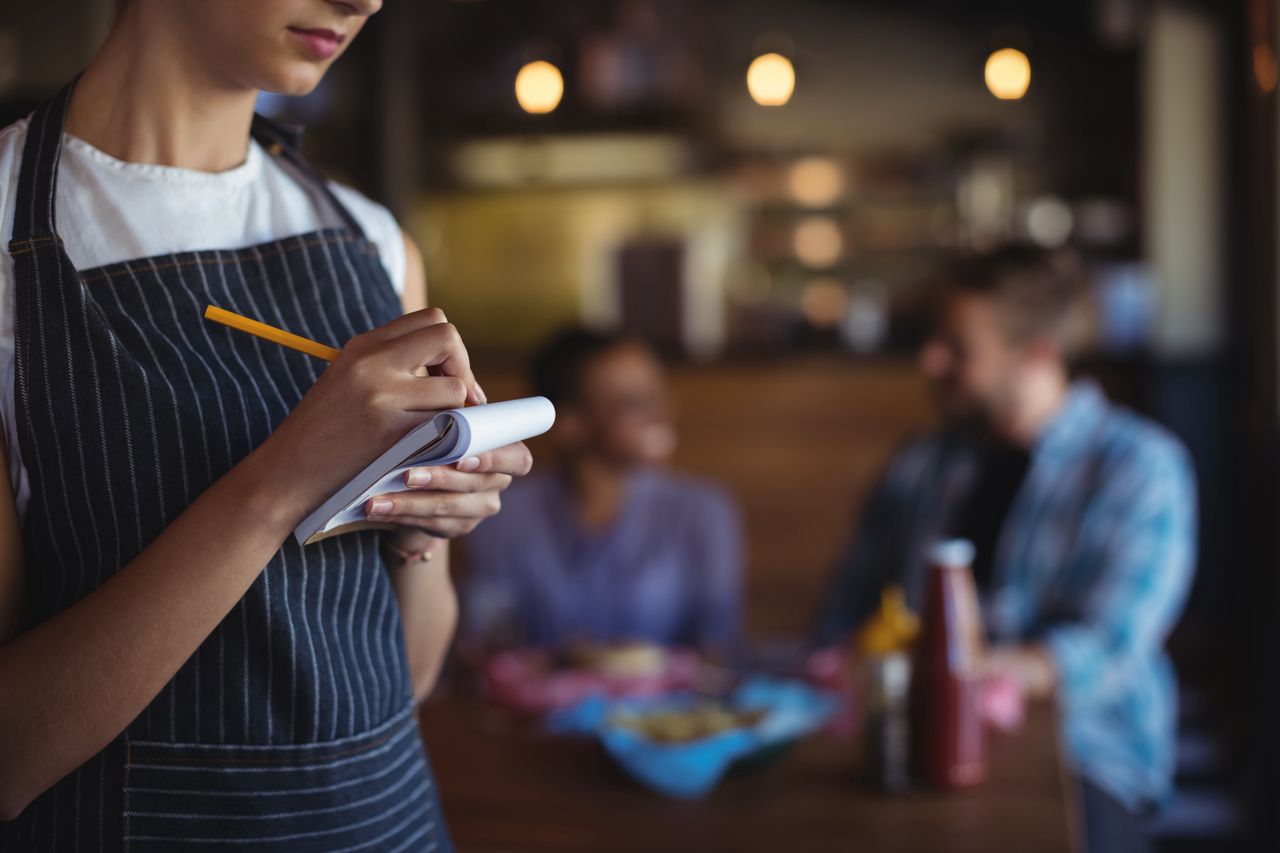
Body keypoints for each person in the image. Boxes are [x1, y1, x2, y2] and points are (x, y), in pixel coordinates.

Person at [0, 1, 532, 848]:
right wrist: (279, 483)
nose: (363, 1)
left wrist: (420, 532)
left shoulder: (374, 242)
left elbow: (415, 672)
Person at [815, 248, 1196, 853]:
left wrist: (972, 676)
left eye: (957, 347)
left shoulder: (1138, 466)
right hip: (908, 745)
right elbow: (844, 612)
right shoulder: (920, 462)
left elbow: (1108, 646)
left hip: (1083, 758)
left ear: (1039, 351)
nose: (928, 360)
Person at [463, 328, 743, 657]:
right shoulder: (503, 512)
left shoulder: (702, 512)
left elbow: (719, 651)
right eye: (633, 403)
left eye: (659, 396)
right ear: (569, 423)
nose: (660, 414)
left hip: (666, 708)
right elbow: (487, 645)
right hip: (539, 707)